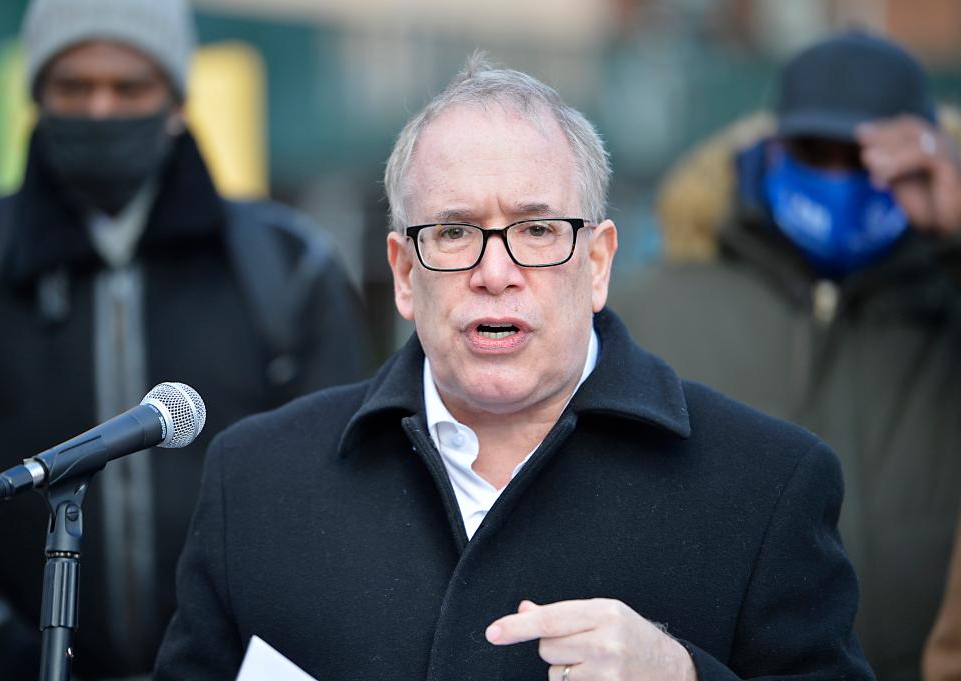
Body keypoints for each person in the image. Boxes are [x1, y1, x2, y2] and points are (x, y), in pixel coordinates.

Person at [153, 54, 873, 681]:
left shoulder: (765, 484)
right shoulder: (256, 480)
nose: (495, 271)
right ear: (404, 273)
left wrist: (683, 674)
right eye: (455, 231)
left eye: (536, 229)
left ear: (597, 263)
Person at [0, 0, 367, 678]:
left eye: (129, 86)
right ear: (36, 94)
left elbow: (342, 503)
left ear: (175, 99)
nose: (102, 109)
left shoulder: (288, 268)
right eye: (73, 87)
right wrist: (1, 652)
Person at [611, 30, 961, 681]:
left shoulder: (949, 298)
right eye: (815, 150)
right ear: (770, 150)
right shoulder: (657, 307)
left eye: (870, 158)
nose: (841, 178)